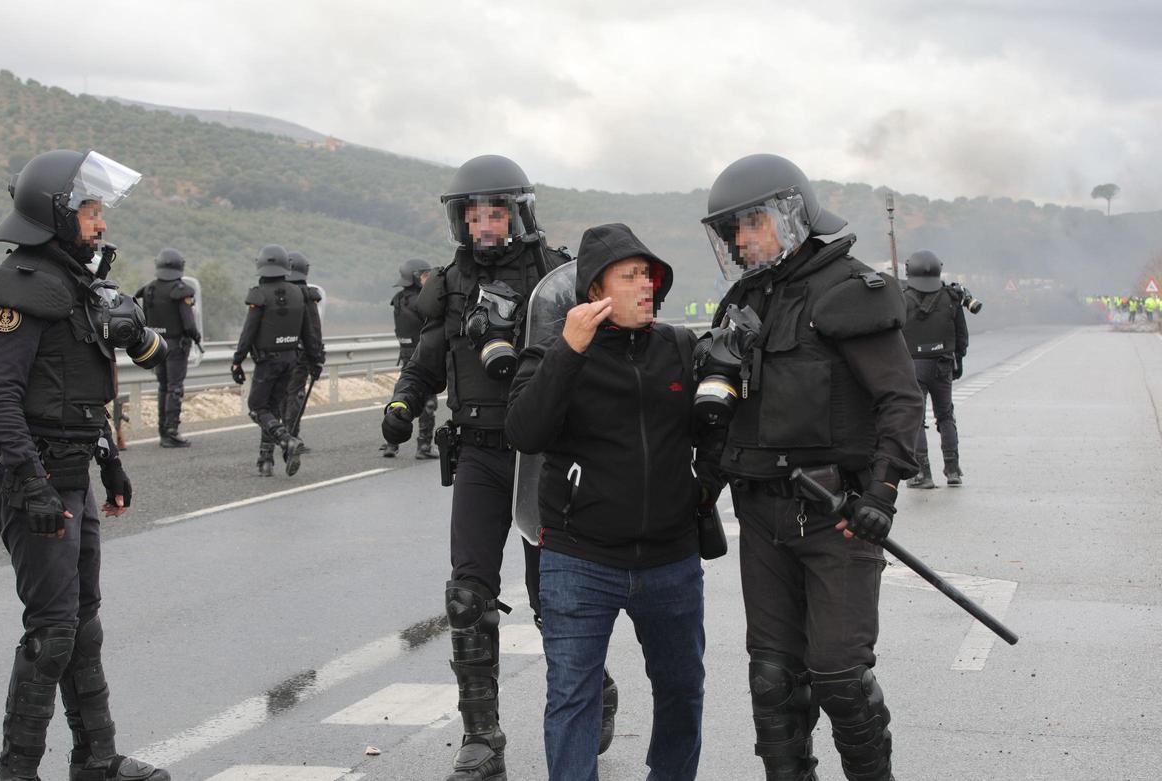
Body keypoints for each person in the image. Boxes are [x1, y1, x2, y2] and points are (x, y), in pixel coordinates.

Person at [380, 154, 617, 780]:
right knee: (467, 597)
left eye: (496, 211)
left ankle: (597, 694)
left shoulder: (557, 277)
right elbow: (432, 355)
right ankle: (482, 737)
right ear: (461, 220)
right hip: (481, 454)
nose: (486, 224)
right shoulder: (451, 283)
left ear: (519, 212)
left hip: (542, 455)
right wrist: (404, 402)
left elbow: (595, 358)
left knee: (555, 600)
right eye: (474, 213)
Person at [694, 154, 922, 781]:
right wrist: (697, 494)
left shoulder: (850, 291)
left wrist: (881, 493)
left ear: (791, 214)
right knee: (772, 681)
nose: (741, 241)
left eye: (752, 224)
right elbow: (725, 415)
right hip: (760, 516)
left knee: (840, 677)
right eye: (732, 231)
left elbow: (900, 399)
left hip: (836, 516)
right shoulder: (742, 302)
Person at [0, 148, 170, 781]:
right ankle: (16, 772)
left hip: (73, 472)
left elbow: (82, 389)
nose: (100, 223)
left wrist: (108, 460)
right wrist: (31, 486)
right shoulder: (16, 288)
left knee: (82, 624)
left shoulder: (78, 286)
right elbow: (1, 402)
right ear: (56, 214)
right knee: (55, 628)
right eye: (91, 210)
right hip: (32, 478)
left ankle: (97, 759)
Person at [507, 223, 710, 781]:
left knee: (682, 690)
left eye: (649, 275)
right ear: (595, 291)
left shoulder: (680, 347)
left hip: (671, 558)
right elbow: (526, 432)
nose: (646, 285)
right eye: (630, 276)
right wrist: (568, 352)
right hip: (580, 558)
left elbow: (720, 434)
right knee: (573, 698)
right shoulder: (552, 353)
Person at [231, 244, 324, 477]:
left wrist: (237, 360)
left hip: (267, 362)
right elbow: (309, 333)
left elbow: (248, 331)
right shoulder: (299, 294)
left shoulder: (259, 294)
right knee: (271, 409)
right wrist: (316, 360)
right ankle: (265, 461)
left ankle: (285, 440)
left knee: (257, 409)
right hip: (291, 361)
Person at [901, 250, 969, 488]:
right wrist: (957, 361)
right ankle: (952, 471)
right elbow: (962, 336)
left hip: (913, 366)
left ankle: (922, 474)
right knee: (946, 415)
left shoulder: (902, 298)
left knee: (916, 420)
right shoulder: (952, 297)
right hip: (943, 364)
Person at [135, 248, 201, 448]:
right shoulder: (181, 290)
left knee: (163, 387)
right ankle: (171, 430)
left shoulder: (149, 289)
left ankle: (163, 431)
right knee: (174, 387)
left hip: (155, 345)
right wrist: (196, 337)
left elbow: (143, 318)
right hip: (175, 346)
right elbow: (189, 325)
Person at [263, 250, 324, 460]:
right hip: (301, 354)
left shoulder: (276, 292)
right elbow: (314, 330)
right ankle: (291, 437)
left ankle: (279, 439)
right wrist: (318, 357)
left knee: (277, 398)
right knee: (295, 395)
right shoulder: (306, 295)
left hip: (279, 353)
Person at [383, 257, 438, 459]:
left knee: (402, 395)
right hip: (423, 355)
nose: (428, 279)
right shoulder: (422, 300)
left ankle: (391, 442)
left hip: (406, 354)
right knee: (428, 401)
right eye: (425, 275)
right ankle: (424, 446)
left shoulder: (398, 299)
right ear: (415, 277)